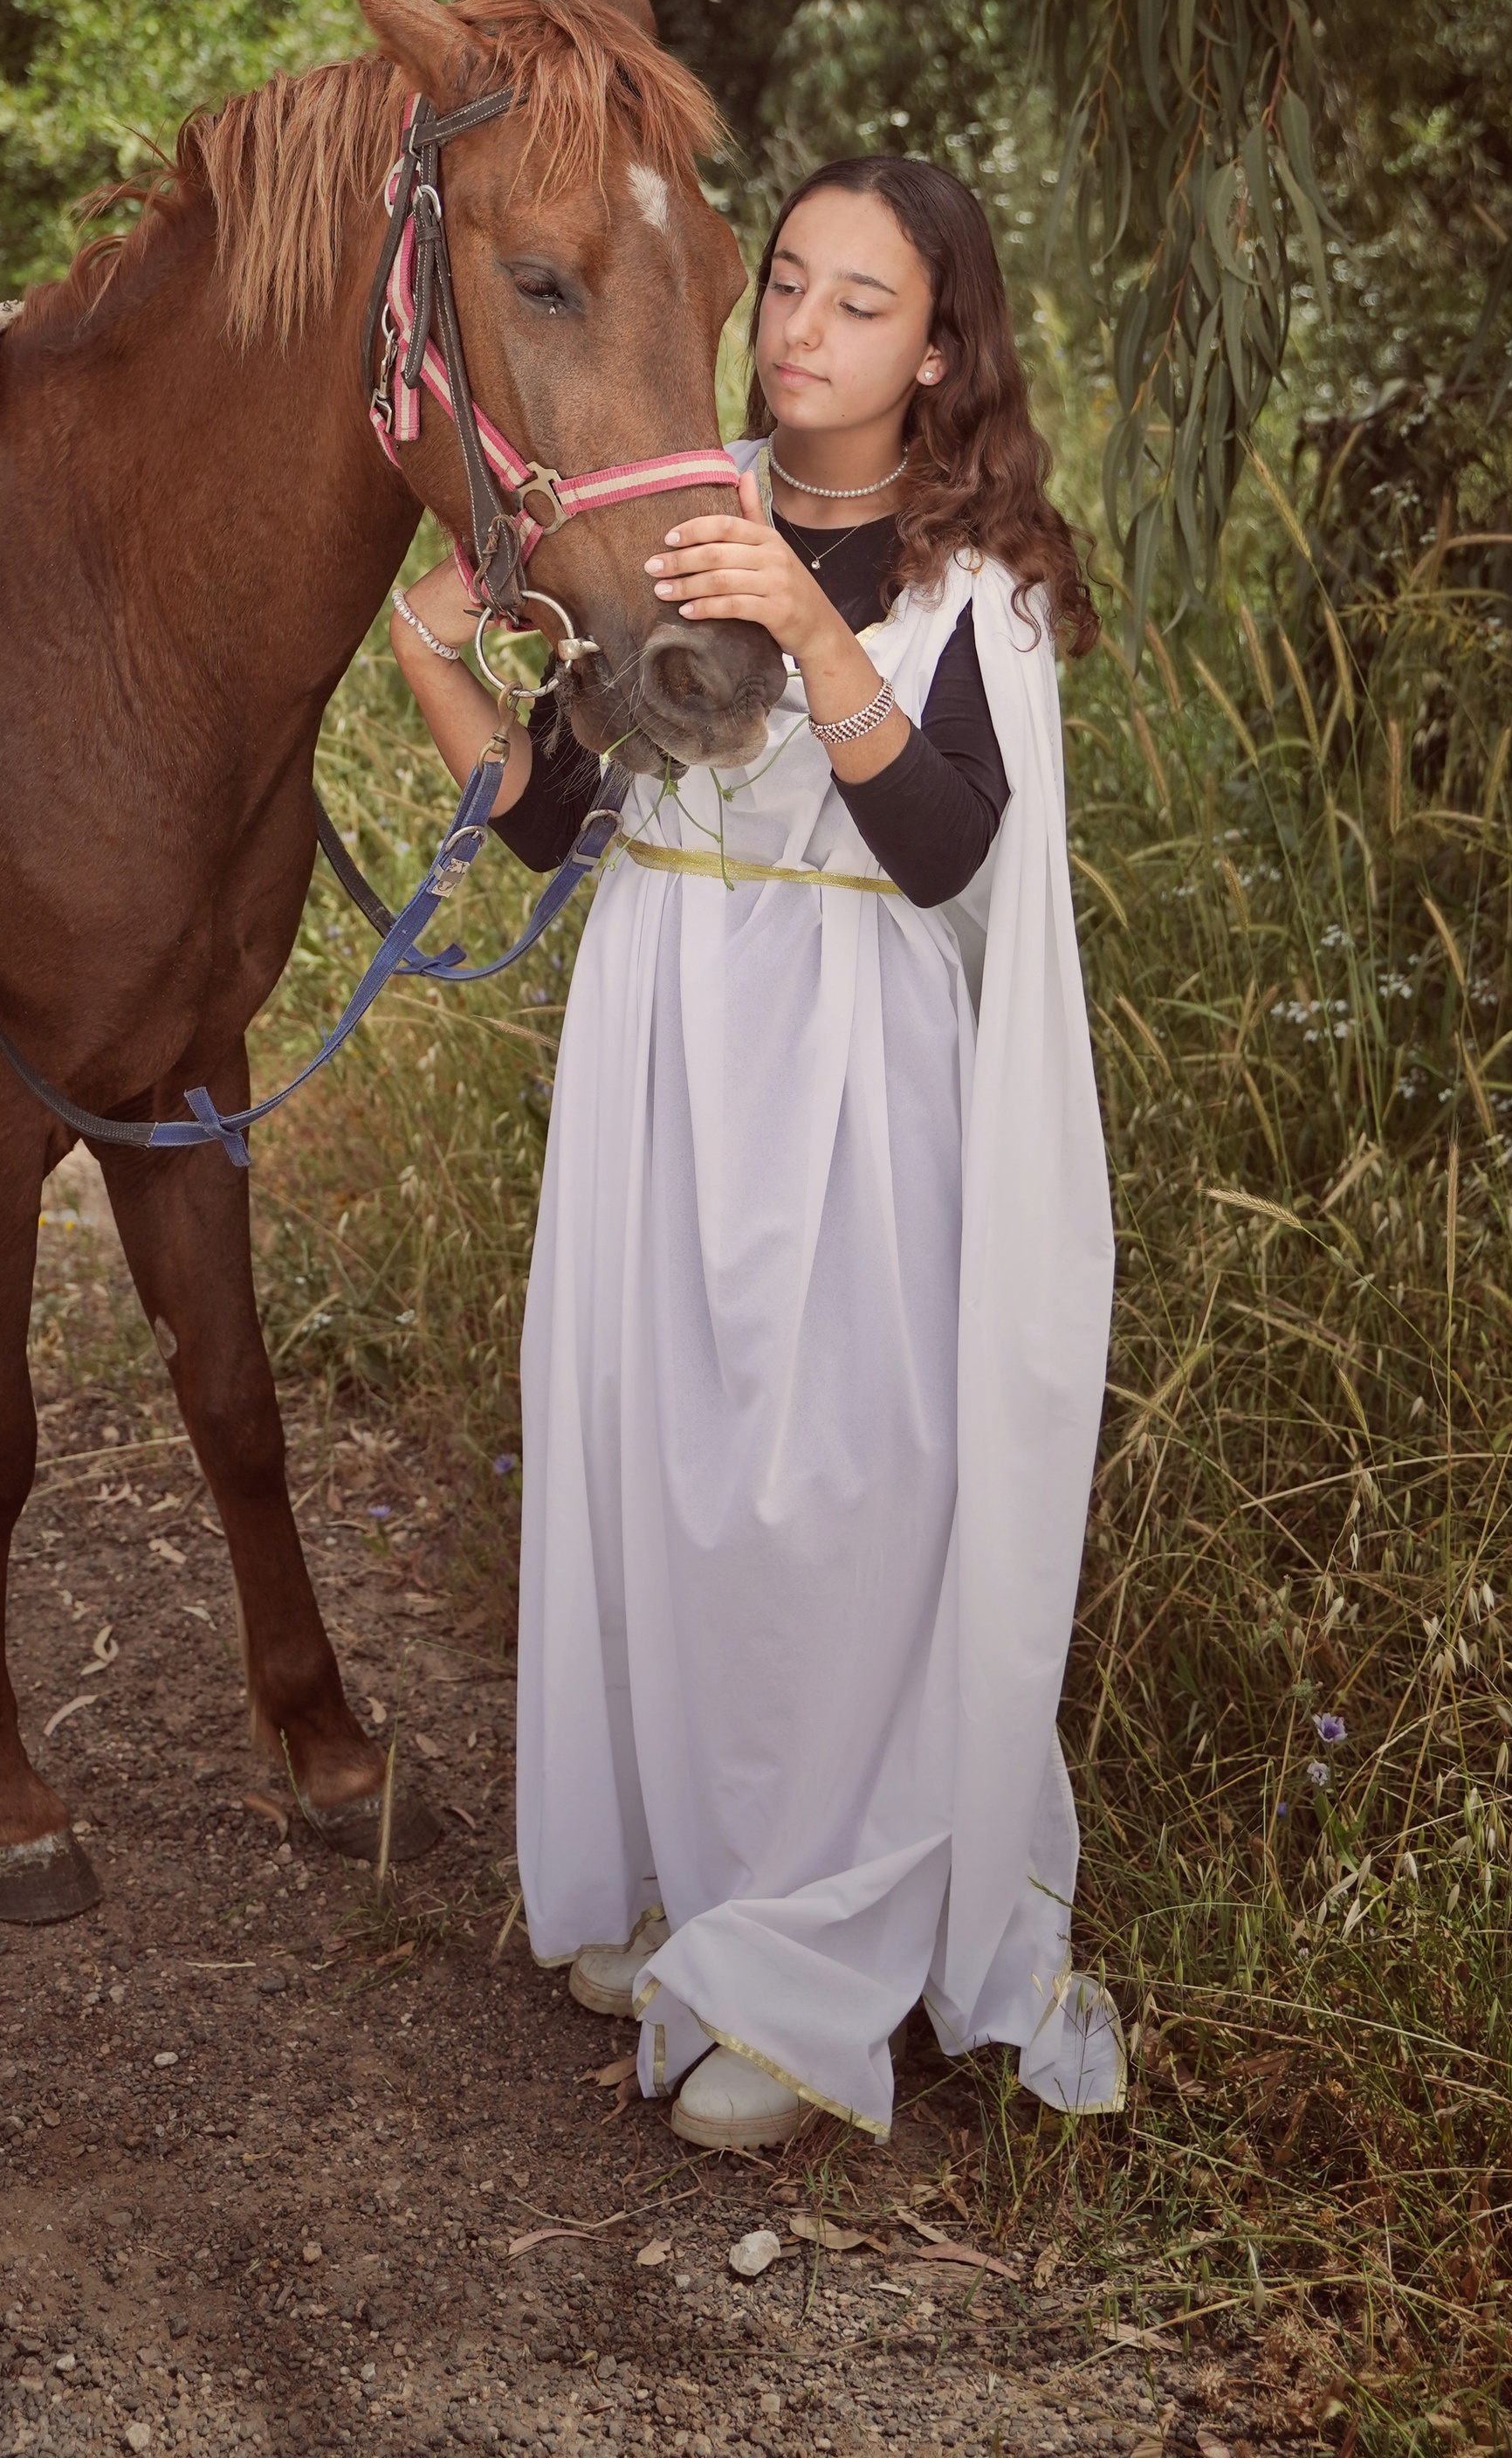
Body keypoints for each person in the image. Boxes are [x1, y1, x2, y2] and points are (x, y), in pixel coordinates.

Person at [386, 155, 1123, 2149]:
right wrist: (437, 652)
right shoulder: (658, 507)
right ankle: (694, 1897)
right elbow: (551, 823)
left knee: (832, 1498)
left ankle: (810, 1972)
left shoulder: (978, 580)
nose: (797, 329)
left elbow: (950, 847)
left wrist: (810, 620)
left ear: (940, 350)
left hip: (845, 1069)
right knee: (662, 1475)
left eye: (854, 303)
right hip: (659, 1036)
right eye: (782, 281)